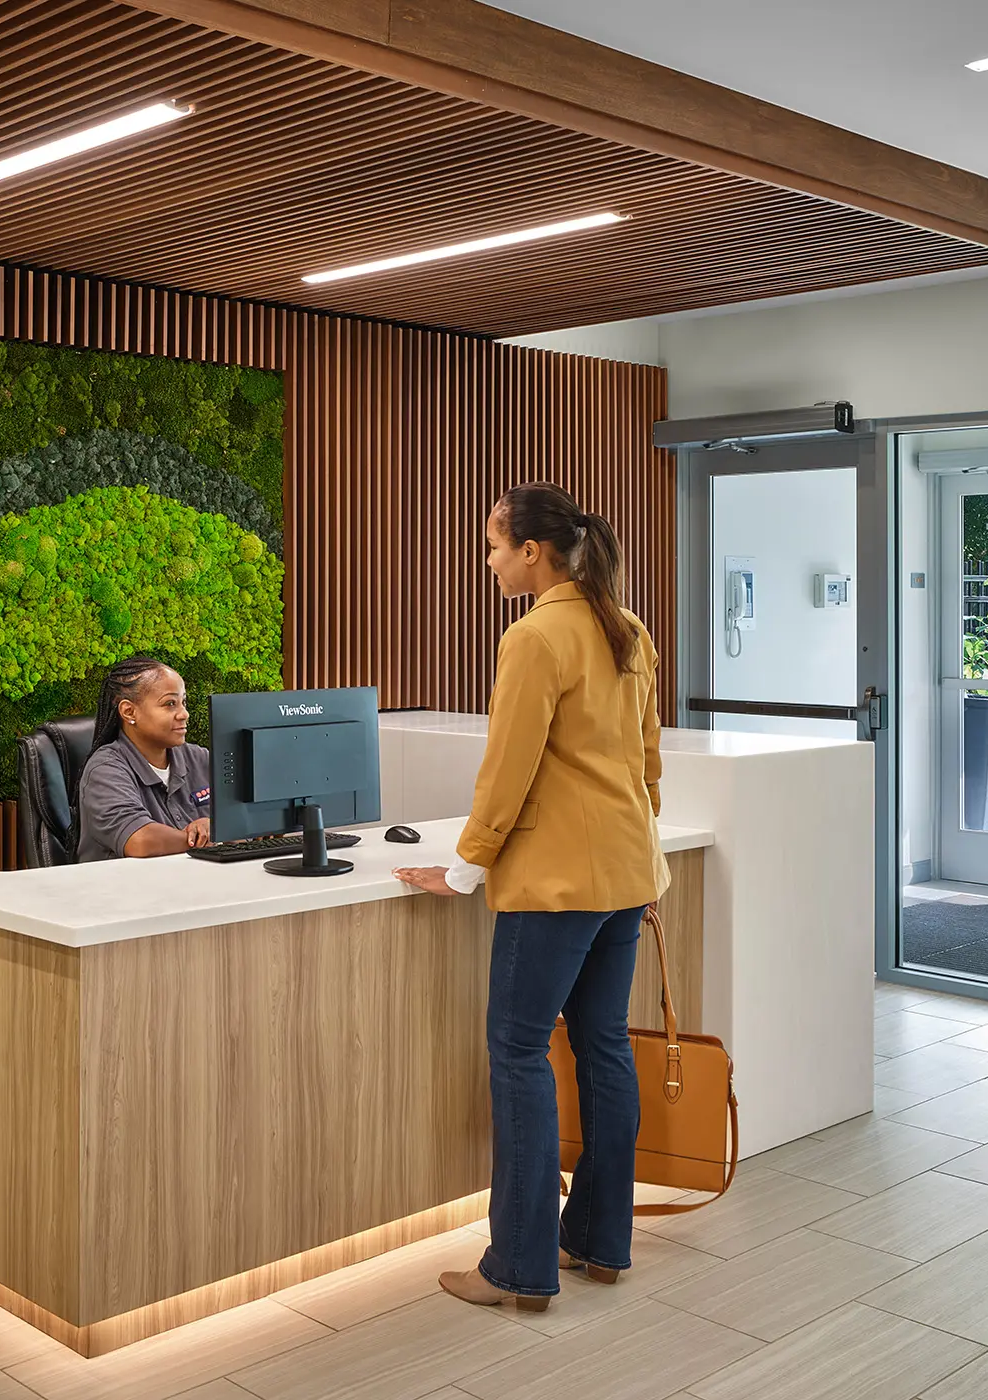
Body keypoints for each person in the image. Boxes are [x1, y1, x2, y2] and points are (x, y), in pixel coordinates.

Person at [396, 482, 664, 1312]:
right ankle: (598, 1243)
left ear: (534, 553)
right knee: (605, 1049)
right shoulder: (630, 629)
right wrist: (641, 859)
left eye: (493, 545)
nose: (488, 560)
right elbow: (647, 764)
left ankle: (516, 1266)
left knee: (518, 1055)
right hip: (625, 873)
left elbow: (506, 771)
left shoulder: (535, 636)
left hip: (554, 886)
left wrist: (463, 868)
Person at [73, 656, 213, 862]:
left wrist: (213, 826)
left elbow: (244, 822)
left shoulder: (199, 758)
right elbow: (140, 840)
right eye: (170, 704)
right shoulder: (105, 770)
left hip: (195, 885)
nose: (184, 714)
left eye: (183, 702)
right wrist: (209, 837)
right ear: (129, 711)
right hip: (123, 889)